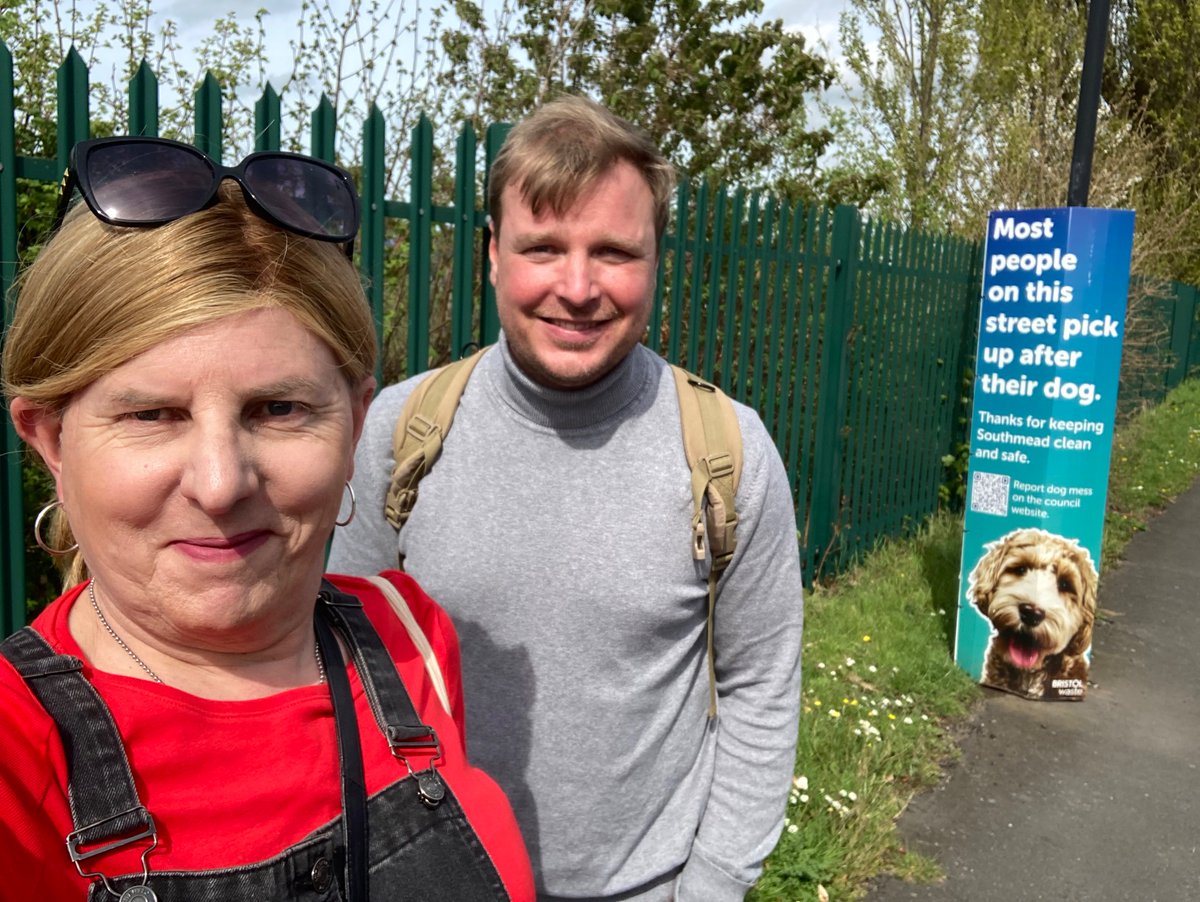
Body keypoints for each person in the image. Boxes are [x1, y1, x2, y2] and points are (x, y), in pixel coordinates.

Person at [0, 136, 534, 901]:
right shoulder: (19, 754)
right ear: (51, 439)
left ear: (354, 422)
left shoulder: (409, 637)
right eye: (153, 414)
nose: (220, 485)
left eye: (278, 409)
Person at [330, 95, 804, 900]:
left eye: (614, 252)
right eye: (543, 248)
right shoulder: (399, 435)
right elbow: (342, 662)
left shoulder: (727, 453)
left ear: (657, 258)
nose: (577, 287)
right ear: (491, 255)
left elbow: (762, 681)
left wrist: (717, 883)